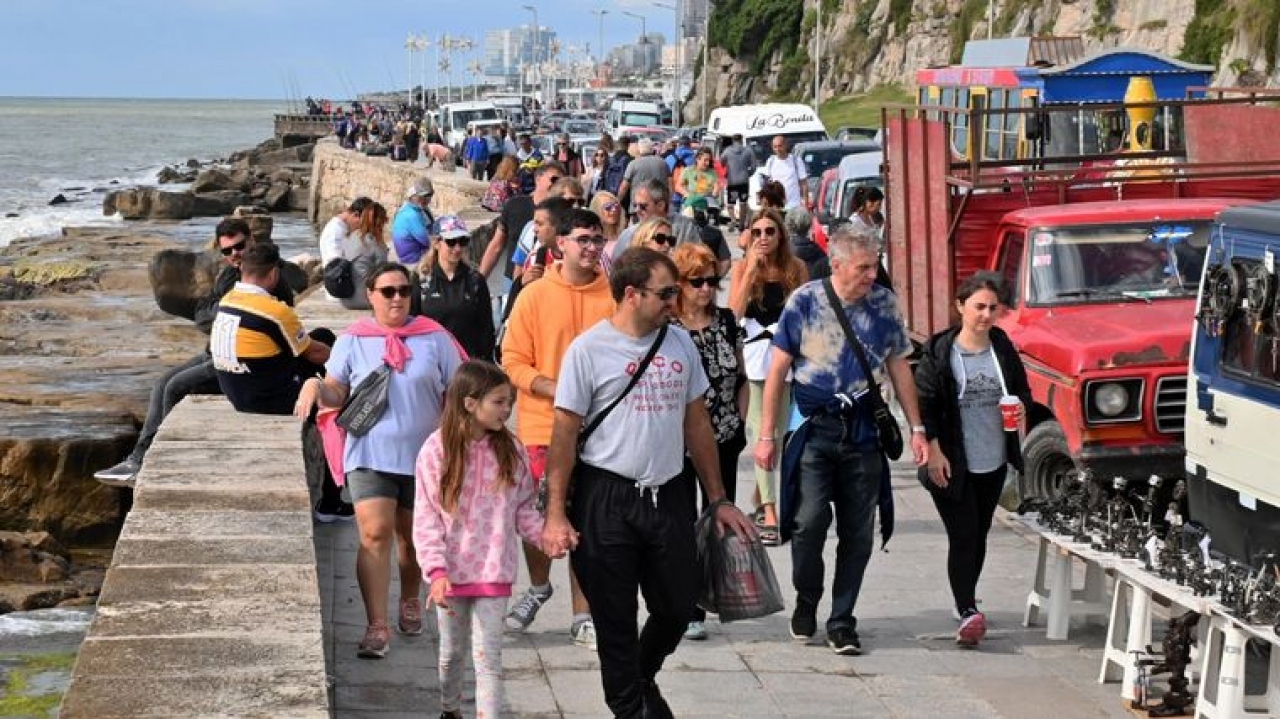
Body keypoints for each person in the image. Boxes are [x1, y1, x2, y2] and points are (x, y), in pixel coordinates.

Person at [541, 247, 755, 718]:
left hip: (669, 494)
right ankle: (631, 708)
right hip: (607, 495)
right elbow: (563, 436)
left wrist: (717, 498)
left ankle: (639, 679)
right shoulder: (589, 351)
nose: (674, 302)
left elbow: (697, 423)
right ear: (632, 294)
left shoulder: (678, 344)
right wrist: (556, 513)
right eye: (666, 293)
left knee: (679, 604)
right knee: (615, 620)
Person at [753, 228, 929, 656]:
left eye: (875, 265)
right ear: (838, 264)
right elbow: (777, 370)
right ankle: (807, 597)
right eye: (864, 267)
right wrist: (766, 436)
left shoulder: (884, 304)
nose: (872, 274)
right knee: (808, 523)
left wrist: (918, 428)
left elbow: (899, 365)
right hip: (816, 430)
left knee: (858, 532)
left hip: (864, 432)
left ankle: (842, 619)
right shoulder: (806, 301)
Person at [294, 262, 466, 659]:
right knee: (374, 534)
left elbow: (459, 392)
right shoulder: (354, 339)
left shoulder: (434, 337)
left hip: (424, 459)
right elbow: (338, 390)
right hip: (369, 454)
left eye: (404, 291)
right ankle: (376, 625)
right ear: (370, 295)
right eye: (387, 291)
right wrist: (314, 385)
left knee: (410, 540)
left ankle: (409, 597)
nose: (397, 298)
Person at [500, 208, 615, 649]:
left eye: (597, 240)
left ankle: (582, 614)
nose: (590, 247)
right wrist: (553, 386)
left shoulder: (615, 296)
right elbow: (511, 361)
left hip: (600, 429)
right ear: (559, 244)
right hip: (542, 426)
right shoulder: (532, 296)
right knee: (538, 517)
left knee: (586, 520)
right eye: (582, 239)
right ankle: (537, 586)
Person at [413, 360, 544, 719]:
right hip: (449, 576)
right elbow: (426, 519)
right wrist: (435, 572)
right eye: (499, 402)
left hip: (493, 571)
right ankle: (449, 708)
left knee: (488, 661)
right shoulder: (435, 451)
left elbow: (524, 509)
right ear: (470, 403)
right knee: (451, 653)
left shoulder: (511, 449)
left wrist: (545, 538)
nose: (508, 409)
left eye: (509, 401)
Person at [94, 219, 265, 487]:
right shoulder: (230, 274)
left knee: (175, 387)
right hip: (214, 352)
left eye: (240, 246)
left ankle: (151, 462)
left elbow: (233, 317)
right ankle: (138, 459)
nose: (235, 254)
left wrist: (217, 313)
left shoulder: (262, 274)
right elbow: (203, 315)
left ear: (251, 240)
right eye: (227, 251)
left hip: (236, 359)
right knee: (161, 383)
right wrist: (218, 313)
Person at [914, 272, 1031, 648]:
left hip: (993, 458)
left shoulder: (1001, 346)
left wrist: (1021, 410)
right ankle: (967, 609)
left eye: (992, 308)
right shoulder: (940, 352)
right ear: (960, 306)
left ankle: (967, 598)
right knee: (962, 533)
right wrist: (933, 450)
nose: (985, 315)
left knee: (978, 534)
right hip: (951, 460)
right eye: (978, 307)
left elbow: (1022, 391)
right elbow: (925, 404)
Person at [671, 242, 748, 642]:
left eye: (712, 281)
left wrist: (739, 421)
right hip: (679, 441)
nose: (705, 289)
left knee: (717, 518)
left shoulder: (727, 321)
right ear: (680, 284)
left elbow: (741, 376)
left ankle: (716, 591)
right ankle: (689, 605)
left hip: (724, 436)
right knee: (684, 522)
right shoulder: (668, 328)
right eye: (696, 281)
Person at [728, 208, 808, 545]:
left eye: (769, 232)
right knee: (763, 431)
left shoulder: (796, 268)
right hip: (758, 359)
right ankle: (771, 509)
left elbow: (808, 310)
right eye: (757, 231)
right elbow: (733, 312)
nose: (763, 238)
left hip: (789, 358)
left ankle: (763, 495)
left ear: (780, 236)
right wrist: (749, 271)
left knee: (779, 432)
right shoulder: (741, 268)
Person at [210, 242, 331, 417]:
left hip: (236, 393)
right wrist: (347, 361)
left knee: (317, 336)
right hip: (268, 398)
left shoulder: (227, 300)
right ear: (274, 273)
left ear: (242, 268)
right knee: (323, 344)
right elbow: (315, 353)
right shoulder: (274, 311)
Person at [416, 216, 495, 360]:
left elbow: (486, 327)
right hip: (431, 359)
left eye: (463, 241)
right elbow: (411, 322)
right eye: (451, 242)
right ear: (436, 243)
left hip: (467, 362)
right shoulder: (420, 280)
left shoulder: (475, 281)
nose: (457, 248)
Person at [478, 161, 565, 286]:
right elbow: (496, 245)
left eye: (562, 182)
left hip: (548, 283)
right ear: (538, 179)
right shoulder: (514, 205)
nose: (558, 185)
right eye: (554, 179)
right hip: (511, 282)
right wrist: (480, 281)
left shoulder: (563, 214)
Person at [324, 200, 391, 311]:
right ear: (380, 222)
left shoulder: (348, 236)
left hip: (346, 299)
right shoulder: (375, 243)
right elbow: (383, 273)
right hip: (365, 300)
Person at [611, 181, 699, 258]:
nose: (637, 210)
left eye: (643, 206)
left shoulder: (686, 227)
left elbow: (697, 260)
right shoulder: (628, 234)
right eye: (635, 205)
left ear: (661, 205)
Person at [617, 138, 670, 216]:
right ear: (652, 149)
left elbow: (624, 186)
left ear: (639, 150)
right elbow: (671, 184)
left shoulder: (633, 164)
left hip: (638, 208)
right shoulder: (663, 163)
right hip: (659, 207)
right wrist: (668, 201)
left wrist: (617, 200)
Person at [391, 177, 436, 264]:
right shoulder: (411, 215)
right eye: (423, 196)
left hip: (418, 251)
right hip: (412, 257)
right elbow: (427, 240)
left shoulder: (417, 208)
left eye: (429, 196)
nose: (427, 199)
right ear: (414, 196)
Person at [719, 133, 757, 230]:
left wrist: (727, 171)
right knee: (743, 203)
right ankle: (741, 224)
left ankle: (733, 219)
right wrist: (748, 173)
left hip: (732, 180)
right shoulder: (748, 151)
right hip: (744, 181)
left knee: (731, 204)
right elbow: (754, 166)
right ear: (741, 140)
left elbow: (721, 162)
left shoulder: (727, 151)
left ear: (733, 140)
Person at [763, 136, 809, 210]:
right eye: (775, 147)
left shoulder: (796, 160)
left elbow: (804, 184)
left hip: (794, 206)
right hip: (777, 207)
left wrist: (806, 205)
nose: (778, 149)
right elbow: (767, 185)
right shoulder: (771, 161)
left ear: (785, 145)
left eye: (780, 146)